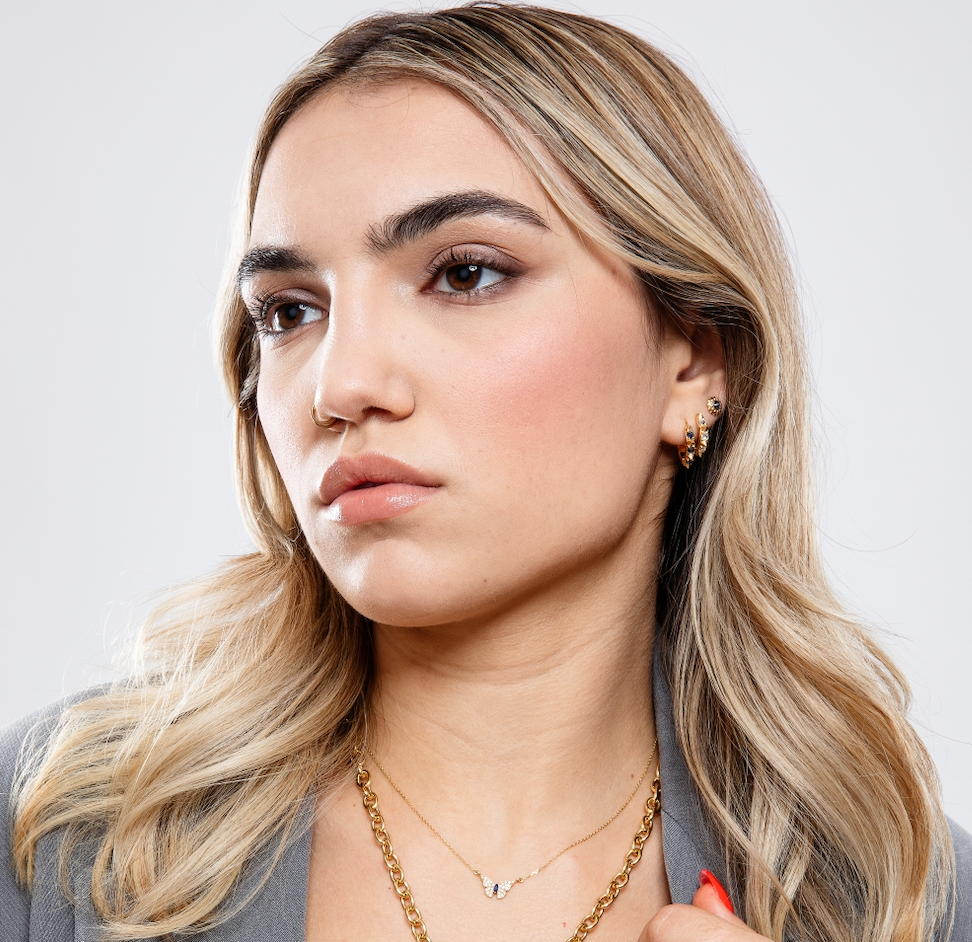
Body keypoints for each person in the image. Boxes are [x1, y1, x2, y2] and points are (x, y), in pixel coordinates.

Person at [2, 4, 969, 941]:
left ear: (692, 360)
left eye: (465, 273)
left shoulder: (901, 900)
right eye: (289, 311)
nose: (340, 383)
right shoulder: (51, 845)